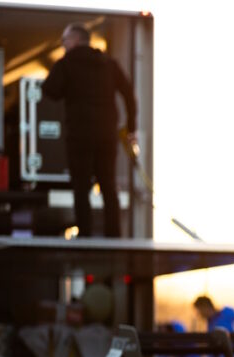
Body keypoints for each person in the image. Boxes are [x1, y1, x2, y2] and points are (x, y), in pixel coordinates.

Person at [42, 23, 138, 238]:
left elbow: (50, 90)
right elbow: (129, 94)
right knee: (108, 185)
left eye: (64, 41)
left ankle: (84, 235)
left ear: (75, 40)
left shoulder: (66, 64)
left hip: (79, 136)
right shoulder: (109, 64)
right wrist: (131, 128)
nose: (63, 45)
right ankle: (114, 235)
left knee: (81, 185)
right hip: (106, 134)